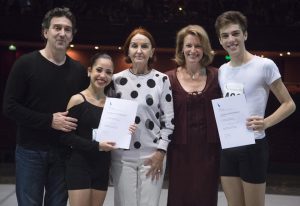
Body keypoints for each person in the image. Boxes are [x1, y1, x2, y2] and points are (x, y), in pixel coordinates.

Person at [2, 7, 88, 206]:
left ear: (72, 35)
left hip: (64, 152)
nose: (62, 33)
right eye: (57, 27)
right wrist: (50, 120)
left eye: (67, 29)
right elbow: (10, 107)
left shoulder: (78, 71)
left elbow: (85, 111)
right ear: (45, 32)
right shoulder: (25, 64)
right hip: (30, 151)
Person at [214, 11, 296, 206]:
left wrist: (266, 122)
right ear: (220, 40)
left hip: (253, 146)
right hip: (228, 147)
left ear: (245, 35)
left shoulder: (264, 66)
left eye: (235, 33)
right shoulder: (222, 71)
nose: (231, 39)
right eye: (225, 36)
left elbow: (289, 104)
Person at [60, 53, 135, 206]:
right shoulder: (77, 100)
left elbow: (115, 138)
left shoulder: (114, 105)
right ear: (89, 71)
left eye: (108, 72)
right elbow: (66, 137)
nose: (103, 75)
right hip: (79, 165)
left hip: (102, 166)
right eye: (99, 70)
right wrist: (97, 146)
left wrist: (126, 131)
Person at [110, 27, 174, 206]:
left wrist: (161, 152)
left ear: (152, 51)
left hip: (153, 155)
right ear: (128, 50)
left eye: (144, 46)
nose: (139, 50)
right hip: (121, 156)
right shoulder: (115, 80)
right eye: (134, 46)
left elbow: (168, 123)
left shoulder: (162, 80)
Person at [165, 25, 221, 206]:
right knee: (179, 196)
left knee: (205, 196)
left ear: (204, 48)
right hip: (179, 150)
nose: (193, 50)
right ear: (181, 48)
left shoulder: (218, 75)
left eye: (198, 46)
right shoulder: (168, 78)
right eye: (188, 45)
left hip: (209, 150)